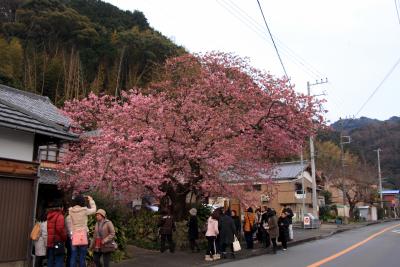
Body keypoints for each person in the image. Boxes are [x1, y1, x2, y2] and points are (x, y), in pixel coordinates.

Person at [67, 195, 96, 267]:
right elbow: (94, 210)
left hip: (74, 235)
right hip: (83, 235)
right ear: (83, 201)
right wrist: (91, 200)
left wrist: (70, 234)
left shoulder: (71, 211)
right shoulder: (84, 210)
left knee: (73, 255)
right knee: (82, 257)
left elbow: (70, 223)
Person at [47, 200, 67, 267]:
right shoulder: (59, 216)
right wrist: (65, 237)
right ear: (60, 207)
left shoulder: (49, 216)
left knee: (50, 259)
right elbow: (60, 229)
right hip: (58, 241)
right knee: (59, 259)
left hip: (50, 241)